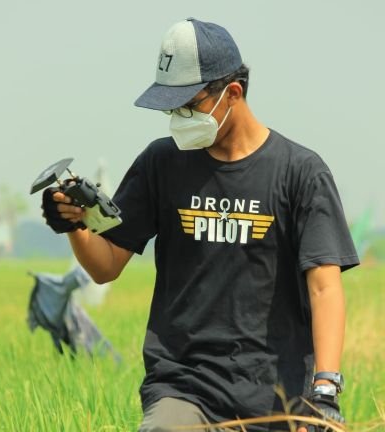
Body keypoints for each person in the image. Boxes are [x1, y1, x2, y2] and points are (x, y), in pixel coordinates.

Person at [40, 18, 359, 432]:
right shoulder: (161, 163)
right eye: (173, 107)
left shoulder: (300, 172)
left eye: (189, 104)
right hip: (184, 386)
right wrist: (75, 225)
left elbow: (325, 286)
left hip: (280, 393)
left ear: (233, 93)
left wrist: (325, 392)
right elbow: (105, 266)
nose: (179, 117)